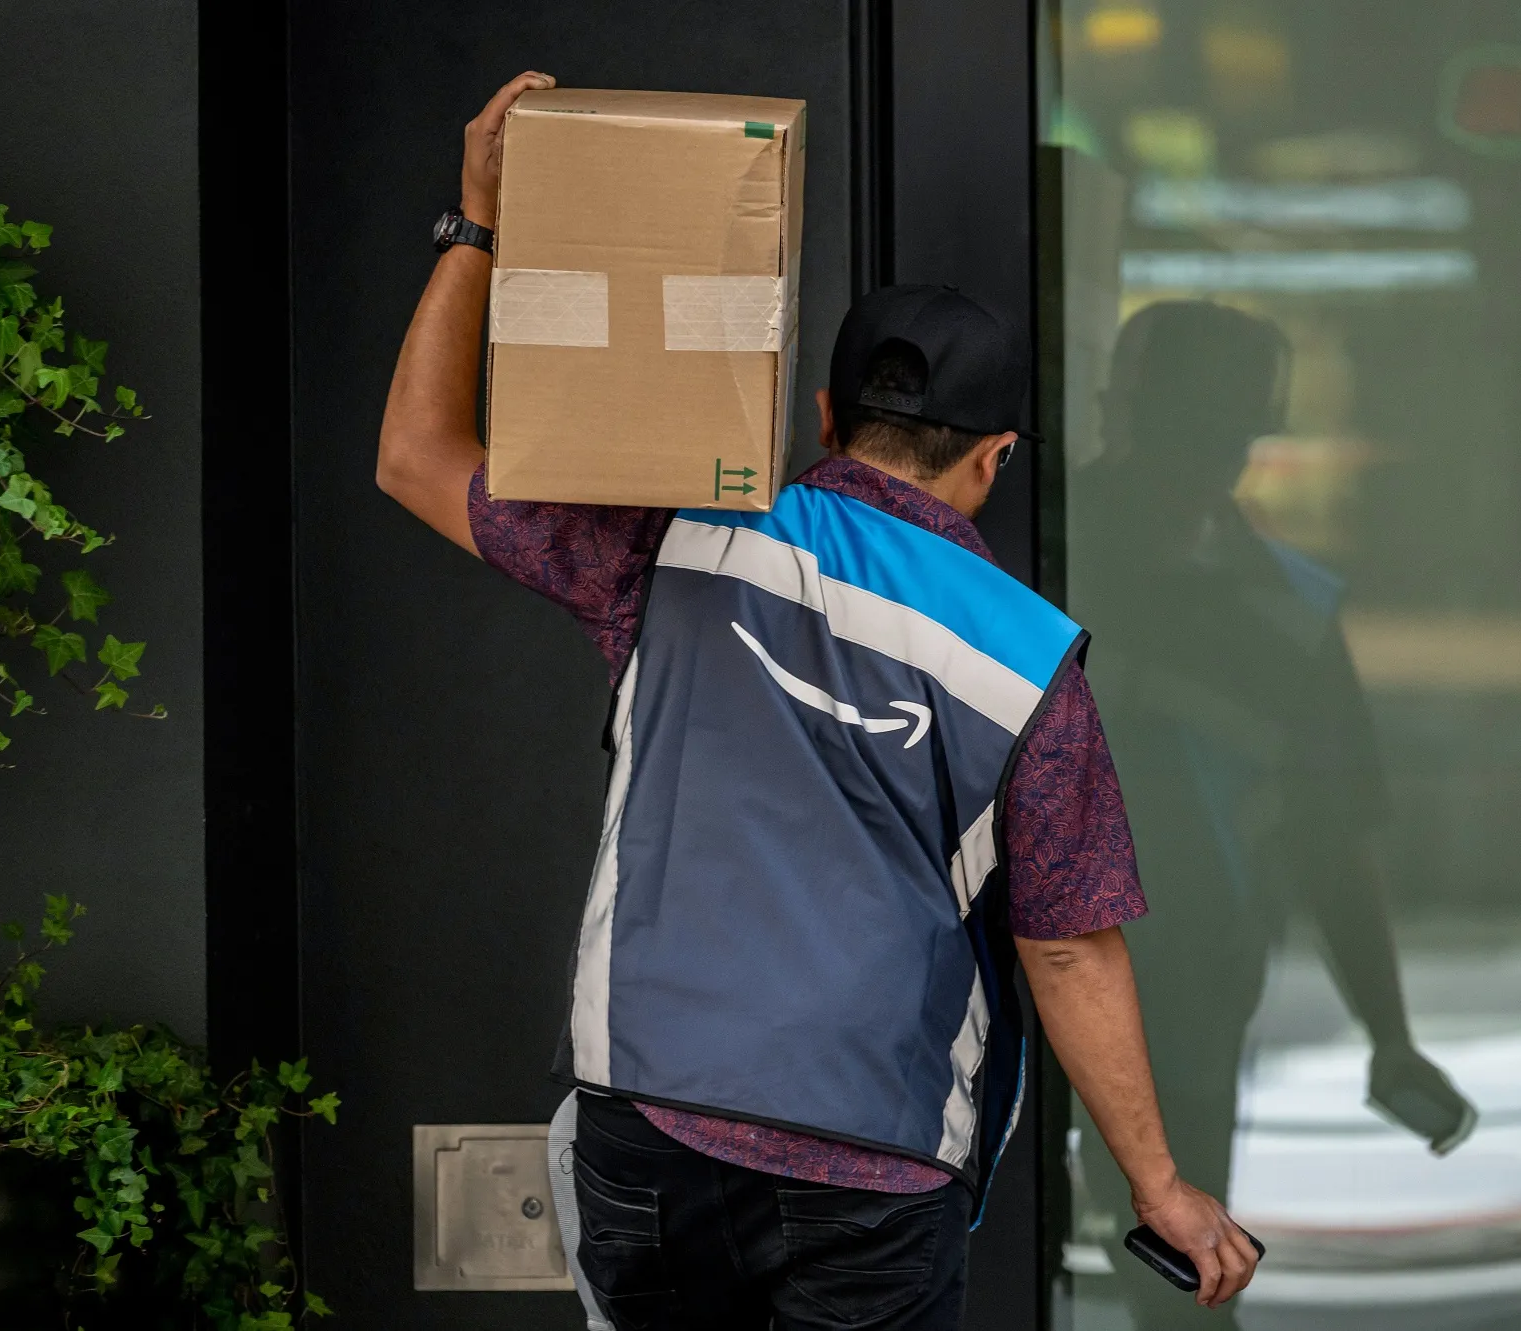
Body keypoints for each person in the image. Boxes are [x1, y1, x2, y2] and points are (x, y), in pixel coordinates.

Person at [376, 73, 1257, 1330]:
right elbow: (1064, 944)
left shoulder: (673, 541)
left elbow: (412, 455)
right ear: (994, 458)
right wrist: (1157, 1184)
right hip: (872, 1161)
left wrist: (478, 224)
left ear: (828, 413)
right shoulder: (1028, 664)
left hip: (650, 1129)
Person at [1070, 301, 1474, 1327]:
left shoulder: (1281, 613)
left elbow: (1330, 835)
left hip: (1189, 1004)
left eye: (1221, 433)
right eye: (1184, 427)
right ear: (1125, 413)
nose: (1204, 458)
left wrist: (1388, 1031)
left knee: (1175, 1277)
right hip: (1008, 991)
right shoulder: (1028, 558)